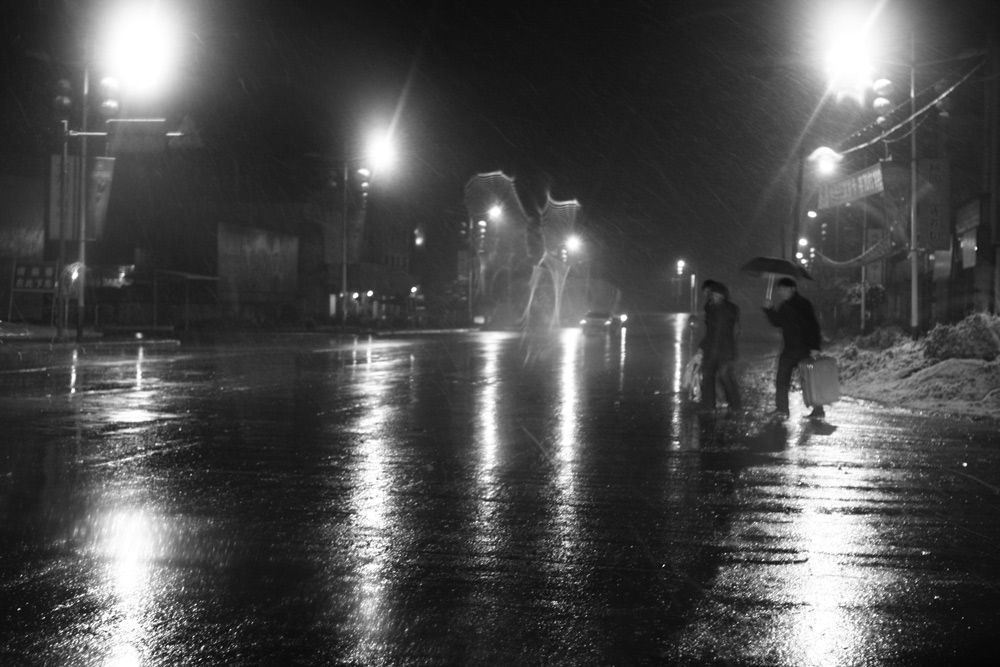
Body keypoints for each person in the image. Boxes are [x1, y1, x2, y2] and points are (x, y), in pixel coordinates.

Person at [762, 276, 824, 419]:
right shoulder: (785, 305)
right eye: (780, 289)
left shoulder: (803, 304)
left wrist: (815, 347)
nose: (781, 292)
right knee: (782, 378)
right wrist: (769, 309)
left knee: (808, 381)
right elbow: (778, 322)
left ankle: (818, 410)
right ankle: (782, 408)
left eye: (784, 289)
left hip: (804, 349)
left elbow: (813, 326)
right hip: (790, 349)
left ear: (792, 289)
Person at [696, 279, 741, 412]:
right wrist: (703, 346)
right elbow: (711, 331)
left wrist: (706, 349)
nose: (712, 297)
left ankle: (734, 406)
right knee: (710, 376)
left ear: (722, 295)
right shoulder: (712, 308)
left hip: (723, 350)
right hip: (715, 349)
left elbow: (721, 329)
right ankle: (710, 406)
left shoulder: (726, 308)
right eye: (711, 295)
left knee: (723, 375)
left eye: (715, 295)